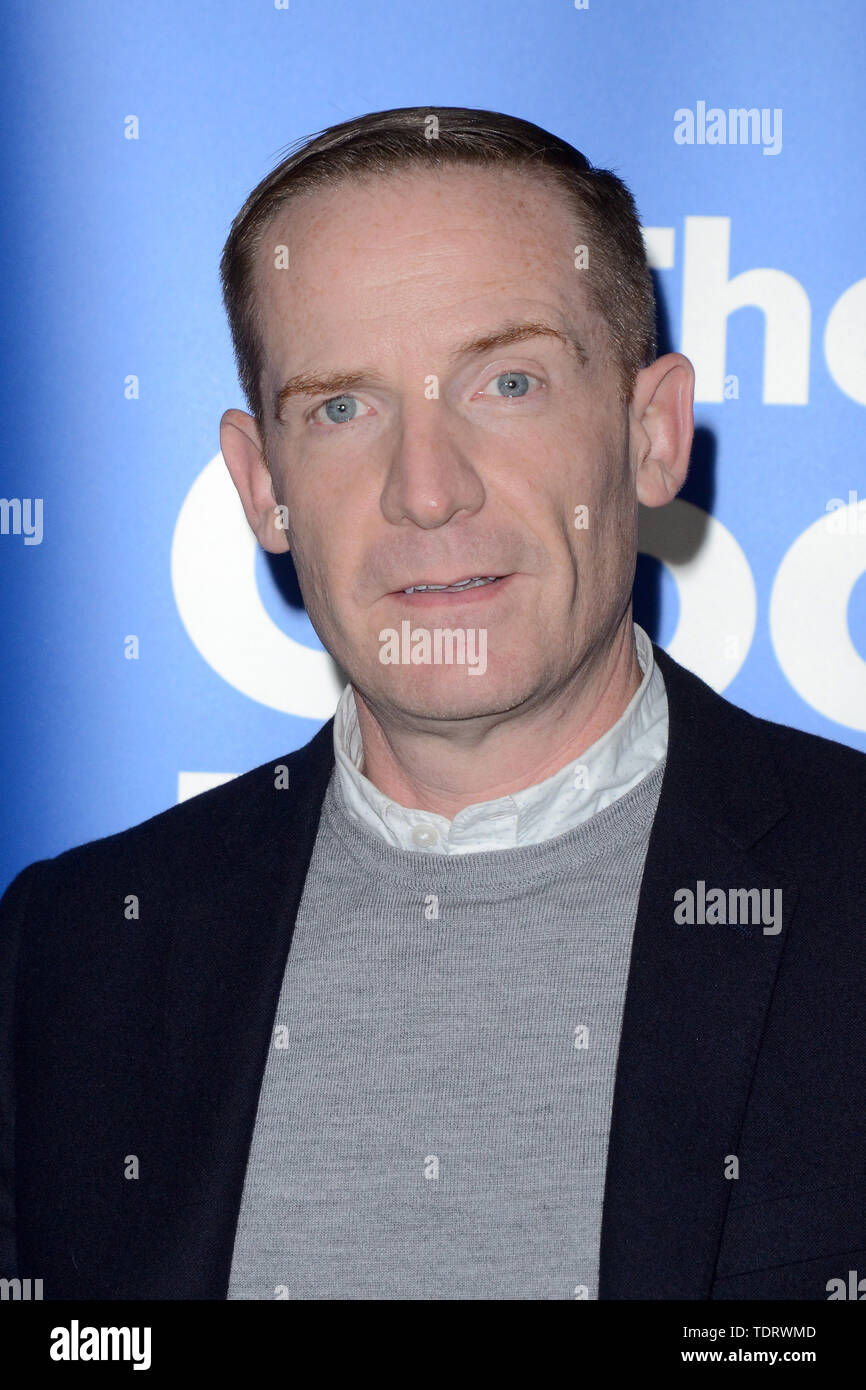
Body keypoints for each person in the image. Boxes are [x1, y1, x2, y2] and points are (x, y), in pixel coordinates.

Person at [2, 107, 864, 1301]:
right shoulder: (72, 951)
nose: (424, 490)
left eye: (505, 381)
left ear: (650, 433)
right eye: (341, 407)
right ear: (262, 490)